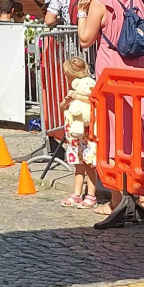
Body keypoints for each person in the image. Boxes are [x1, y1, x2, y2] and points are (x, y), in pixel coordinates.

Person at [76, 0, 144, 217]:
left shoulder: (101, 3)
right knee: (138, 135)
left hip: (114, 76)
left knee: (113, 135)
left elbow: (86, 40)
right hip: (140, 73)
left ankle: (116, 199)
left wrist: (82, 12)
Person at [58, 56, 98, 209]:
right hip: (73, 135)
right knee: (78, 165)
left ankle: (91, 195)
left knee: (88, 164)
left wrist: (76, 96)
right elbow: (62, 107)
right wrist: (67, 101)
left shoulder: (87, 85)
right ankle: (77, 193)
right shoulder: (72, 90)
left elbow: (93, 100)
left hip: (86, 135)